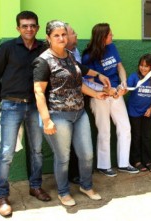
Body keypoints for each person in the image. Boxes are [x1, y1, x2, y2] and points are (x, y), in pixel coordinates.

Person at [33, 20, 111, 206]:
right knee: (63, 158)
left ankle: (86, 185)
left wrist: (97, 90)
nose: (61, 38)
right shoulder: (43, 61)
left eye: (63, 34)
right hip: (58, 115)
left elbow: (79, 79)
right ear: (48, 38)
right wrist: (46, 120)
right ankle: (63, 192)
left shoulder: (69, 55)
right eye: (56, 35)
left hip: (79, 114)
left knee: (86, 155)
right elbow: (38, 92)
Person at [0, 11, 51, 217]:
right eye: (24, 26)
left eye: (32, 25)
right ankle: (2, 196)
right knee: (6, 153)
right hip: (11, 106)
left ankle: (35, 186)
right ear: (18, 28)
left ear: (38, 28)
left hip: (34, 107)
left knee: (37, 151)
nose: (29, 29)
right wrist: (4, 98)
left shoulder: (44, 49)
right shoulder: (7, 48)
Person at [82, 23, 139, 177]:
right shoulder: (88, 56)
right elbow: (87, 80)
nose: (112, 36)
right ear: (102, 37)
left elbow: (120, 67)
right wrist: (105, 89)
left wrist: (123, 83)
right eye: (110, 35)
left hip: (116, 94)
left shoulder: (112, 47)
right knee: (104, 130)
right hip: (99, 96)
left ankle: (124, 163)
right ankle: (104, 165)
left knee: (125, 127)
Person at [127, 54, 151, 172]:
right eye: (141, 65)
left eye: (146, 66)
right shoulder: (134, 77)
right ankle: (136, 161)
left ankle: (147, 161)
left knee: (146, 137)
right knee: (136, 136)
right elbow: (126, 88)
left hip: (147, 113)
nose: (143, 68)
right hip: (134, 112)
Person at [65, 24, 80, 184]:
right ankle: (66, 177)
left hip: (79, 103)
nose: (76, 35)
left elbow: (81, 75)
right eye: (73, 32)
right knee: (64, 144)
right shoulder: (53, 57)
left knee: (78, 142)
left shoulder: (76, 52)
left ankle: (76, 174)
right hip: (62, 107)